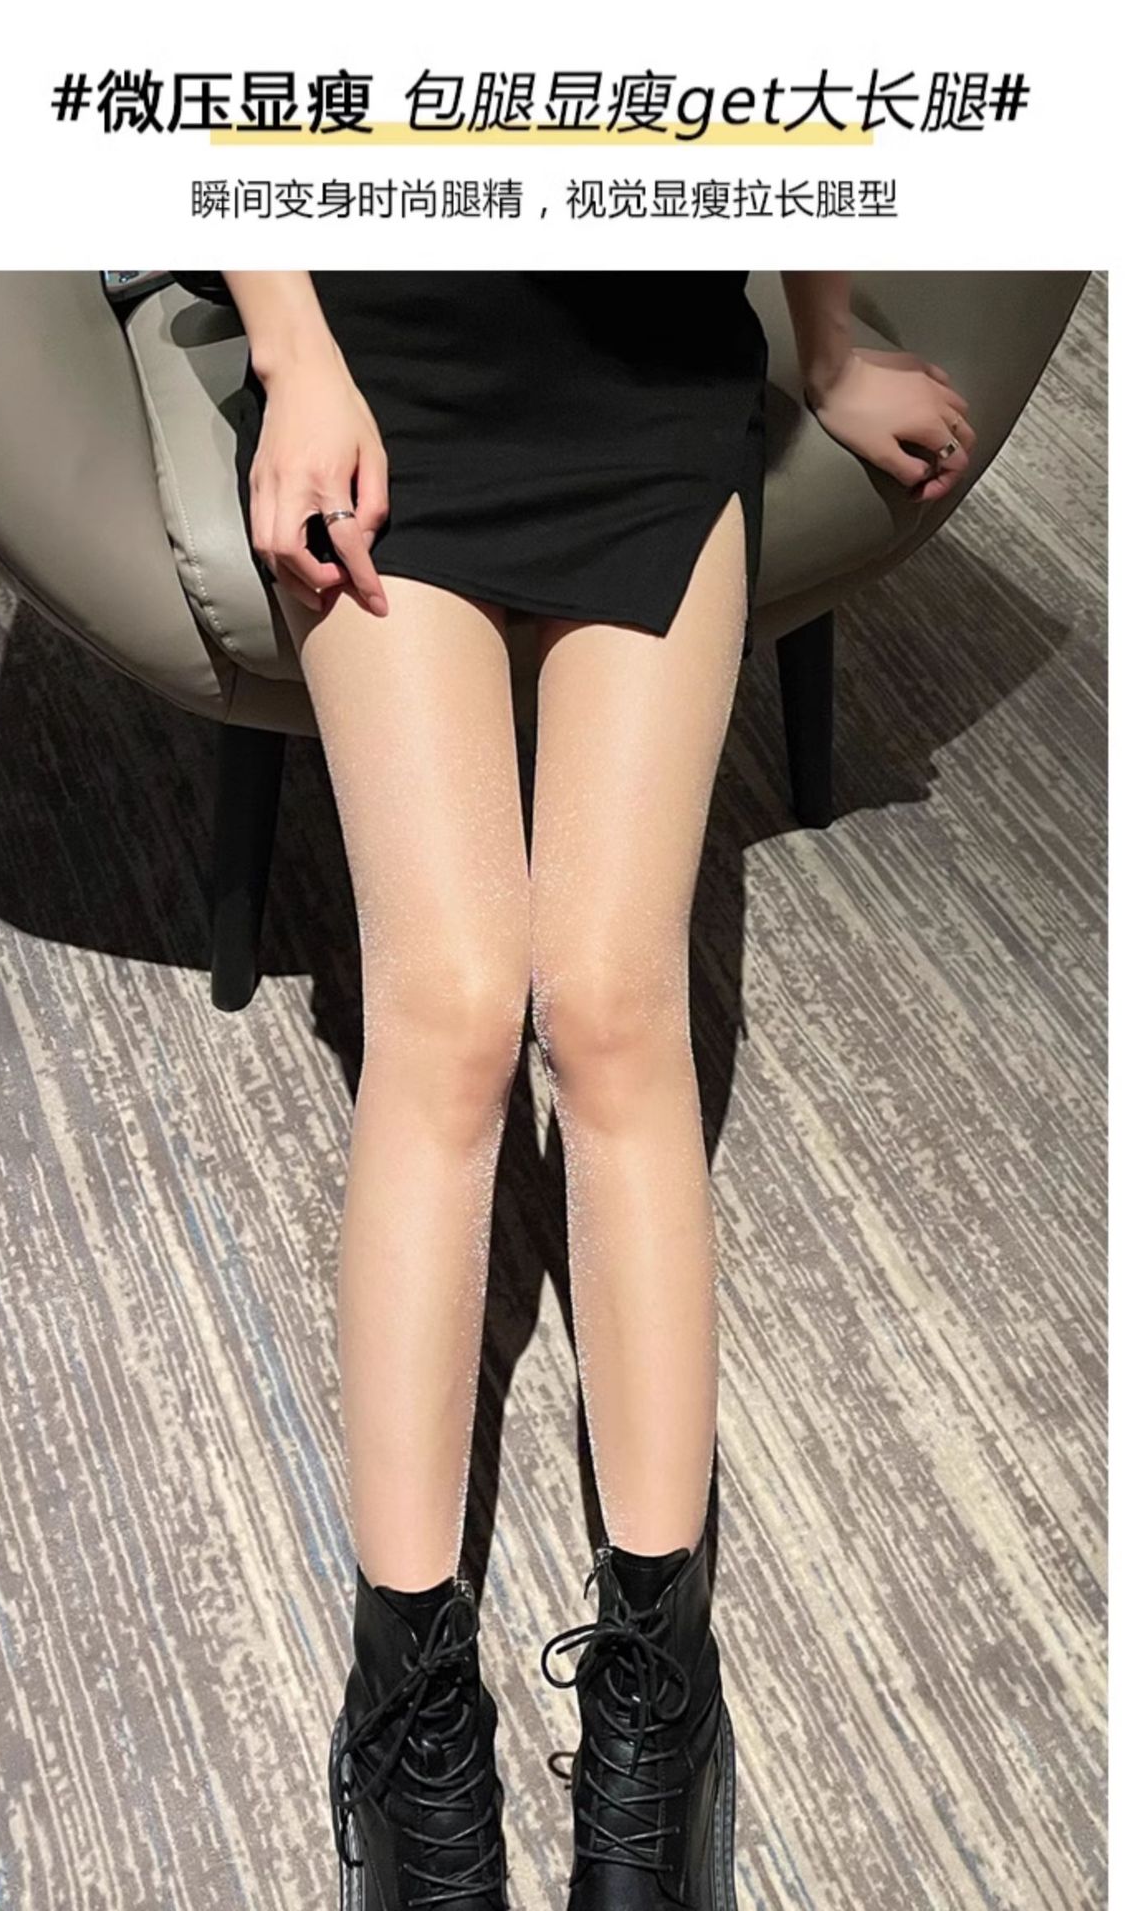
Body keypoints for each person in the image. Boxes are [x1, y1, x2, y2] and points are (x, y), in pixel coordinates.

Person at [172, 268, 974, 1910]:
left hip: (647, 376)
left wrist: (827, 350)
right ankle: (406, 1692)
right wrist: (295, 357)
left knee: (613, 1003)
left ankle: (665, 1689)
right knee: (453, 1009)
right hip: (378, 363)